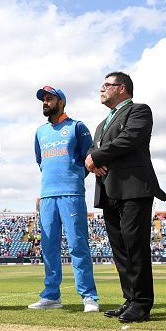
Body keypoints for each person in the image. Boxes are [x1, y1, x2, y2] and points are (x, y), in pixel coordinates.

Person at [85, 71, 166, 323]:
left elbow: (129, 138)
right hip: (109, 189)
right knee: (120, 248)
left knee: (135, 245)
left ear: (121, 88)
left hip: (134, 188)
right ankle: (130, 299)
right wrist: (93, 162)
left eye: (106, 85)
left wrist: (97, 157)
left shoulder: (139, 111)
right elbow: (92, 149)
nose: (101, 89)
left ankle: (142, 303)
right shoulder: (101, 124)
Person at [28, 86, 99, 312]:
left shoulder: (77, 127)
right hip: (47, 196)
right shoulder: (40, 132)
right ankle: (51, 296)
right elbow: (40, 162)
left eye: (49, 99)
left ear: (62, 102)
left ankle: (88, 297)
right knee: (49, 248)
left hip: (71, 194)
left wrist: (73, 177)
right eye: (43, 100)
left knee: (78, 245)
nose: (45, 103)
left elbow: (88, 158)